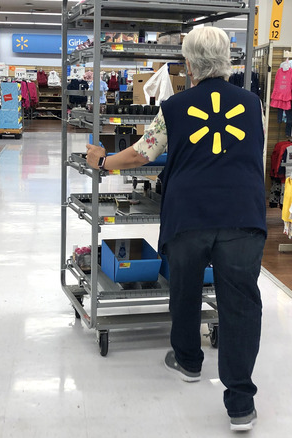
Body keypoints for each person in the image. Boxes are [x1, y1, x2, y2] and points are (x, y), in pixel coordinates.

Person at [85, 26, 266, 432]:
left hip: (190, 215)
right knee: (240, 306)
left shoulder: (175, 106)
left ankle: (188, 362)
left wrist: (101, 161)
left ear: (188, 63)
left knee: (184, 291)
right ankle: (239, 403)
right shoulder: (253, 104)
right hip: (242, 216)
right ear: (227, 61)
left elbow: (140, 155)